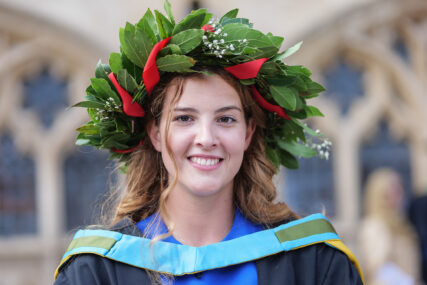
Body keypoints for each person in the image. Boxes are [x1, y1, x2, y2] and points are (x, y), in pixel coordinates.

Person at [54, 1, 364, 284]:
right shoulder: (96, 272)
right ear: (155, 134)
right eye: (184, 118)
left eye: (226, 119)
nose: (206, 139)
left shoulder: (313, 263)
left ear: (248, 133)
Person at [358, 168, 421, 285]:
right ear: (382, 195)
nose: (401, 194)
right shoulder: (374, 226)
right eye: (395, 190)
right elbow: (380, 269)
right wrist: (410, 282)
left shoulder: (401, 223)